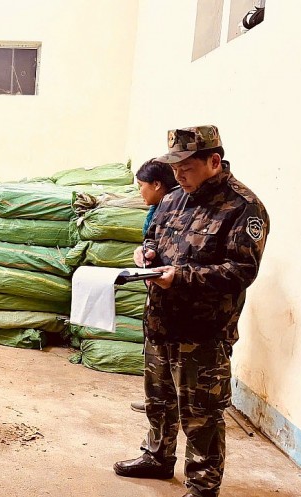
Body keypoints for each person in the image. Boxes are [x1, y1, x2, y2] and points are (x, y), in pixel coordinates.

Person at [113, 125, 269, 497]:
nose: (179, 175)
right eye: (175, 167)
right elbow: (153, 237)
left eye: (186, 167)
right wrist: (147, 254)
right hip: (161, 321)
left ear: (214, 161)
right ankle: (157, 456)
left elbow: (241, 271)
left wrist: (181, 277)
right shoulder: (174, 198)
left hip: (203, 332)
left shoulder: (244, 207)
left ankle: (203, 485)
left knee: (201, 414)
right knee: (159, 399)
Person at [129, 158, 179, 414]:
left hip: (180, 298)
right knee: (156, 353)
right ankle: (156, 400)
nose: (140, 192)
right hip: (158, 292)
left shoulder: (178, 207)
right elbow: (152, 238)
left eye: (141, 185)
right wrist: (145, 252)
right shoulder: (159, 210)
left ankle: (174, 404)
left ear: (157, 184)